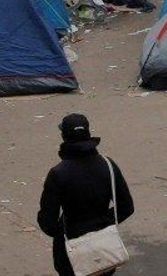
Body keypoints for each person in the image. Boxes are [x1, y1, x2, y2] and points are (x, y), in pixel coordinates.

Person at [37, 114, 135, 276]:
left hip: (71, 251)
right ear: (88, 134)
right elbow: (126, 207)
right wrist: (102, 221)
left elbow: (47, 221)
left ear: (64, 137)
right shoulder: (108, 165)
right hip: (104, 246)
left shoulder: (58, 174)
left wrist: (66, 232)